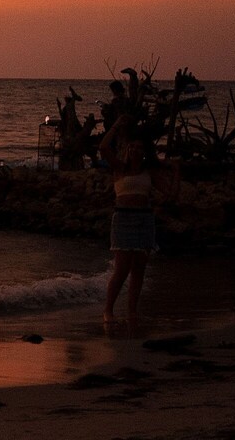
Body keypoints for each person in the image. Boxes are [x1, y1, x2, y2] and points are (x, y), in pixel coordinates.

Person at [97, 116, 179, 326]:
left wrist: (176, 171)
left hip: (144, 221)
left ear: (144, 151)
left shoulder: (149, 172)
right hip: (123, 220)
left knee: (139, 269)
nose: (135, 150)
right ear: (127, 149)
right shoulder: (119, 168)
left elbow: (170, 194)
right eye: (132, 146)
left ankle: (132, 311)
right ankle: (108, 311)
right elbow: (103, 147)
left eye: (139, 147)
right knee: (122, 269)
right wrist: (115, 125)